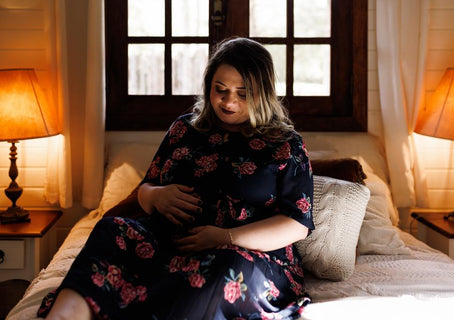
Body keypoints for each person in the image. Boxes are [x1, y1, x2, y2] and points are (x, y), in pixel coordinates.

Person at [39, 37, 314, 320]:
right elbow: (145, 189)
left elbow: (297, 224)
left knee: (229, 270)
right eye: (220, 89)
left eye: (242, 94)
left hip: (243, 254)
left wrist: (225, 236)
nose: (229, 101)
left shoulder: (285, 144)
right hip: (165, 245)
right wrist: (155, 196)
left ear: (262, 93)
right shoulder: (185, 128)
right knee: (111, 230)